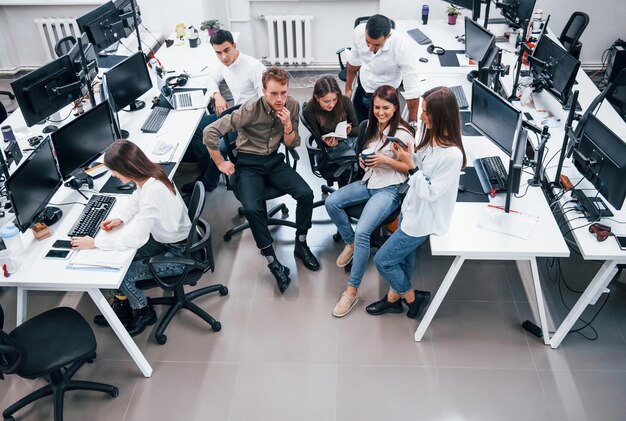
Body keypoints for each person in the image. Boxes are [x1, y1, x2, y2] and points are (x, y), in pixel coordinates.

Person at [203, 66, 319, 293]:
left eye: (283, 93)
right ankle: (273, 263)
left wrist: (287, 125)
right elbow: (210, 132)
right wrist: (220, 163)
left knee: (306, 193)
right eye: (274, 93)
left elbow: (292, 144)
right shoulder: (250, 109)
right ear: (264, 91)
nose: (279, 99)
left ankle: (301, 243)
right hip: (248, 163)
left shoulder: (292, 106)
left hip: (274, 161)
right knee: (253, 209)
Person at [71, 140, 192, 336]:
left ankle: (144, 312)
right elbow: (138, 199)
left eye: (114, 171)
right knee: (118, 260)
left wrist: (95, 243)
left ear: (127, 168)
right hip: (170, 239)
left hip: (179, 252)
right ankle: (124, 307)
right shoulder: (151, 174)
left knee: (123, 276)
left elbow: (136, 238)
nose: (113, 175)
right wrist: (121, 218)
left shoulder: (154, 192)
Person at [366, 86, 466, 319]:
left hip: (422, 220)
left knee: (383, 261)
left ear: (440, 116)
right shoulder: (432, 138)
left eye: (425, 112)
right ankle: (393, 300)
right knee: (404, 259)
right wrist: (410, 156)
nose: (420, 116)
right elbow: (422, 165)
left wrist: (410, 166)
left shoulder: (452, 156)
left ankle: (412, 298)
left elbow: (430, 192)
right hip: (410, 210)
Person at [325, 85, 416, 318]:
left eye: (386, 108)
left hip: (389, 189)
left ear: (396, 108)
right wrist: (363, 162)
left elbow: (408, 168)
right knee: (332, 202)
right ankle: (351, 243)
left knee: (363, 231)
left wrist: (385, 159)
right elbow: (365, 153)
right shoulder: (373, 126)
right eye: (376, 107)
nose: (380, 112)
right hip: (370, 181)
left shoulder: (403, 134)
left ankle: (351, 290)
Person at [183, 29, 266, 194]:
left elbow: (265, 102)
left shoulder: (254, 68)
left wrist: (241, 117)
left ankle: (208, 182)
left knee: (220, 146)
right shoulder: (224, 64)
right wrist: (217, 95)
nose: (223, 57)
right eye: (218, 53)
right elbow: (210, 79)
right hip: (234, 114)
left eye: (227, 50)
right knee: (197, 130)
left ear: (234, 46)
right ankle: (207, 170)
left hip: (251, 121)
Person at [345, 14, 421, 125]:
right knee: (360, 127)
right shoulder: (358, 32)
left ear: (388, 36)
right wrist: (348, 88)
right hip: (364, 87)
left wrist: (413, 123)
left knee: (385, 132)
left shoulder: (402, 47)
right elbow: (354, 62)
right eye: (368, 42)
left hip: (386, 96)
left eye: (376, 45)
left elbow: (412, 89)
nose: (370, 48)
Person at [302, 76, 360, 186]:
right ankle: (348, 196)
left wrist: (347, 131)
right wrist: (325, 141)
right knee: (359, 168)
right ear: (317, 97)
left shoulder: (345, 101)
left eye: (334, 99)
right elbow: (318, 138)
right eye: (327, 101)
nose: (332, 104)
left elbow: (357, 130)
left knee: (369, 159)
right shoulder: (310, 110)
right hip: (329, 150)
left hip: (349, 141)